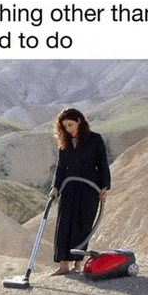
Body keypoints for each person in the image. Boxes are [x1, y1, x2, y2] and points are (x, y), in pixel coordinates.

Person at [49, 108, 111, 275]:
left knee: (83, 225)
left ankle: (78, 264)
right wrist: (55, 187)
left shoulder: (95, 139)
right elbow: (61, 167)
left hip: (90, 188)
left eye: (71, 124)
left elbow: (102, 164)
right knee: (64, 224)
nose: (69, 129)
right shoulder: (65, 142)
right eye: (65, 126)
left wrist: (104, 187)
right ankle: (63, 266)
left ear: (79, 120)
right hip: (69, 188)